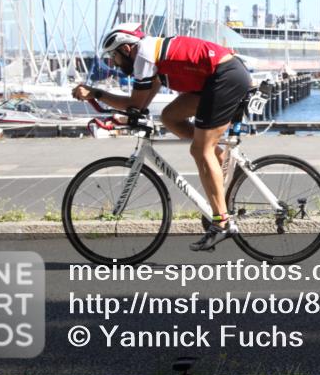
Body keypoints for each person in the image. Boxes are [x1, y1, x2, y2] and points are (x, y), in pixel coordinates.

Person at [72, 22, 252, 251]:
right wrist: (128, 116)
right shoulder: (150, 55)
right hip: (216, 79)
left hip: (224, 77)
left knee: (199, 150)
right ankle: (219, 160)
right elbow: (141, 104)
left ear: (126, 49)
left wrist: (97, 93)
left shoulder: (143, 56)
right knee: (170, 117)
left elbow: (134, 102)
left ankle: (222, 223)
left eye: (114, 56)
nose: (114, 63)